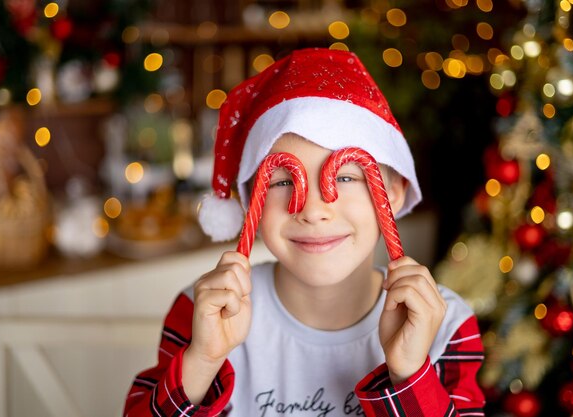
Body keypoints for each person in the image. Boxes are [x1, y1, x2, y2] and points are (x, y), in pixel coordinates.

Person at [123, 48, 485, 417]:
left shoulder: (445, 326)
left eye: (345, 176)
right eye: (281, 181)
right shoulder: (204, 312)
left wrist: (410, 374)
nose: (312, 210)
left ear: (392, 195)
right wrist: (202, 360)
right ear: (252, 205)